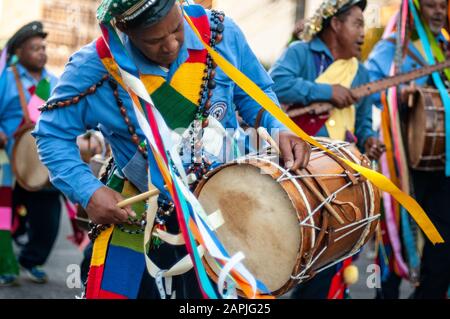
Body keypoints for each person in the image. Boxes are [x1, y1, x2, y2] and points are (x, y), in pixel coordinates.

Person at [33, 0, 311, 299]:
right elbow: (51, 133)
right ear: (124, 30)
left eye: (177, 28)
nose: (170, 44)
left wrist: (279, 126)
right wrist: (89, 191)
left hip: (225, 211)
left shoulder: (219, 34)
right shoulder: (97, 66)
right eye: (153, 40)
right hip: (140, 210)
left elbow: (257, 92)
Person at [269, 0, 385, 299]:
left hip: (340, 177)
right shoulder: (301, 53)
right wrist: (326, 91)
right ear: (335, 24)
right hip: (300, 173)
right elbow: (275, 84)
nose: (364, 32)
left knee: (332, 253)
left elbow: (362, 124)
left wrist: (369, 139)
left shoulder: (360, 73)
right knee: (298, 251)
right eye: (357, 24)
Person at [366, 0, 450, 299]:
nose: (439, 12)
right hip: (399, 163)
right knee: (391, 243)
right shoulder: (393, 48)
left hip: (441, 163)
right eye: (431, 5)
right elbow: (366, 90)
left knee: (442, 245)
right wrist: (397, 93)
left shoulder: (445, 46)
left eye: (443, 5)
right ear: (414, 11)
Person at [0, 21, 61, 286]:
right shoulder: (5, 77)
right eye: (34, 47)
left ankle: (31, 260)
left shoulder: (55, 82)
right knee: (2, 215)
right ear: (20, 51)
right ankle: (6, 266)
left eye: (43, 47)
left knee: (48, 217)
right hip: (6, 160)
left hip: (41, 163)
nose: (41, 52)